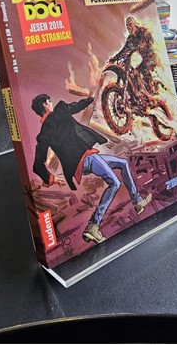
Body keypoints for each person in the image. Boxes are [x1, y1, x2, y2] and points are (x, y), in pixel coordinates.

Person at [31, 94, 152, 244]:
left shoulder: (43, 135)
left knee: (123, 163)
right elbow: (77, 106)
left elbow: (37, 165)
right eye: (49, 101)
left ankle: (137, 201)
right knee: (115, 183)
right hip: (86, 157)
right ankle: (93, 225)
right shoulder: (60, 111)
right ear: (45, 105)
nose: (51, 103)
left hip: (78, 166)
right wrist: (91, 99)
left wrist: (52, 178)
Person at [109, 16, 159, 96]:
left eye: (130, 24)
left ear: (135, 24)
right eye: (127, 25)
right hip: (141, 59)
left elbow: (149, 41)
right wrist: (114, 59)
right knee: (132, 72)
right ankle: (138, 92)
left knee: (144, 69)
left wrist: (143, 45)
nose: (128, 27)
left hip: (150, 57)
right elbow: (124, 50)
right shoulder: (130, 39)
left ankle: (152, 91)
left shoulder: (143, 32)